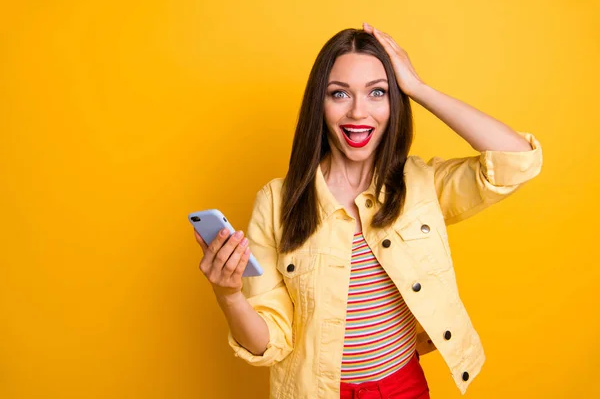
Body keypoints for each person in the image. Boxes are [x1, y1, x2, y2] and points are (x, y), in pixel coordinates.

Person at [193, 23, 542, 399]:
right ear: (319, 104)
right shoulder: (279, 201)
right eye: (339, 94)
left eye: (378, 92)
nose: (358, 112)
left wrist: (418, 88)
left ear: (394, 103)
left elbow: (517, 162)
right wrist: (228, 295)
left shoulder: (421, 184)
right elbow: (268, 343)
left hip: (402, 386)